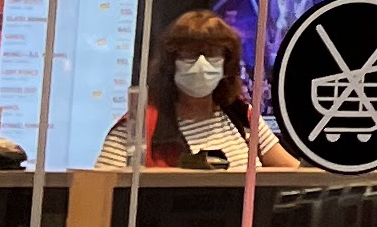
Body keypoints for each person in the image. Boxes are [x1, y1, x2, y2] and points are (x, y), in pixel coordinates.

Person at [98, 9, 293, 169]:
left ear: (226, 63)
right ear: (170, 63)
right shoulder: (137, 128)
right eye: (190, 54)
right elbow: (100, 192)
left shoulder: (241, 115)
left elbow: (293, 174)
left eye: (212, 53)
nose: (202, 64)